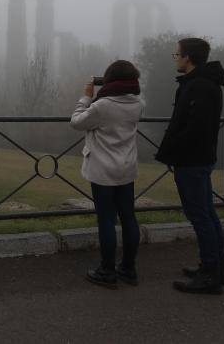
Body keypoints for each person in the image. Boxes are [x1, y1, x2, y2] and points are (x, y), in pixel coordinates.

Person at [155, 37, 224, 294]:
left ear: (188, 57)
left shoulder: (199, 86)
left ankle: (210, 275)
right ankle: (216, 268)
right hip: (198, 158)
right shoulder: (202, 83)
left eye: (177, 55)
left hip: (192, 160)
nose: (175, 59)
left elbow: (194, 127)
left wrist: (174, 151)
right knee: (207, 214)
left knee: (200, 217)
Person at [70, 60, 144, 289]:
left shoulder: (102, 106)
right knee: (129, 218)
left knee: (106, 220)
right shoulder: (138, 103)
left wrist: (85, 98)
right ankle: (129, 268)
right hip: (126, 167)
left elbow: (77, 122)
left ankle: (107, 270)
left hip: (103, 170)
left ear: (110, 79)